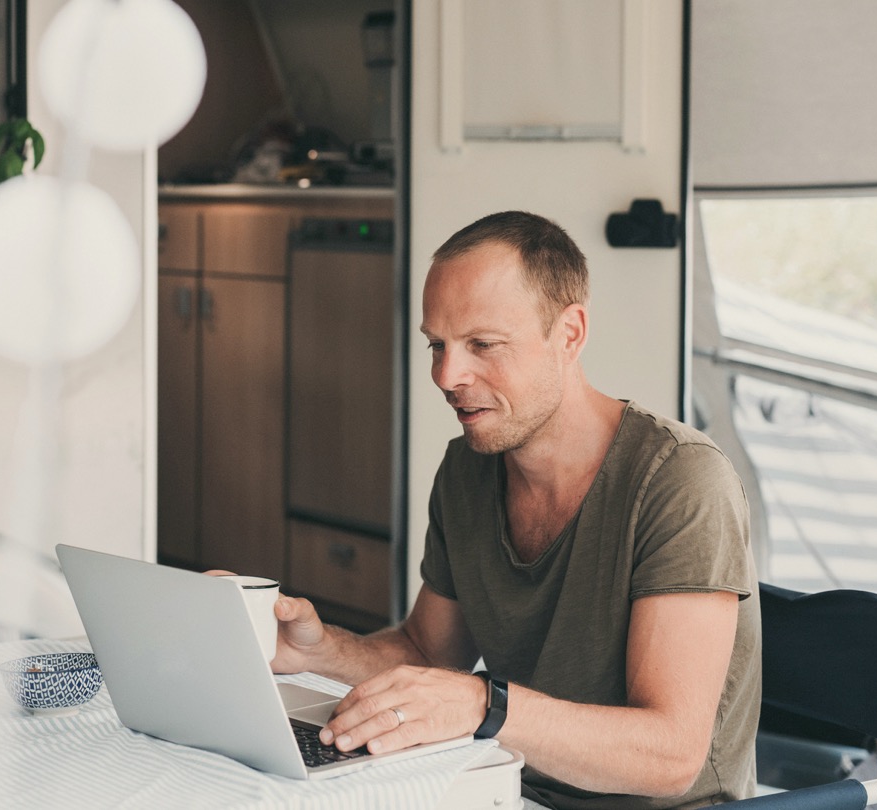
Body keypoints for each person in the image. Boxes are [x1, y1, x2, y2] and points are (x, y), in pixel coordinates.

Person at [270, 211, 761, 809]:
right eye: (438, 346)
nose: (448, 376)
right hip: (506, 790)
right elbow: (427, 654)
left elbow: (670, 757)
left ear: (570, 333)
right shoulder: (468, 469)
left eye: (483, 345)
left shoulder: (681, 480)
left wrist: (484, 704)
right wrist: (314, 652)